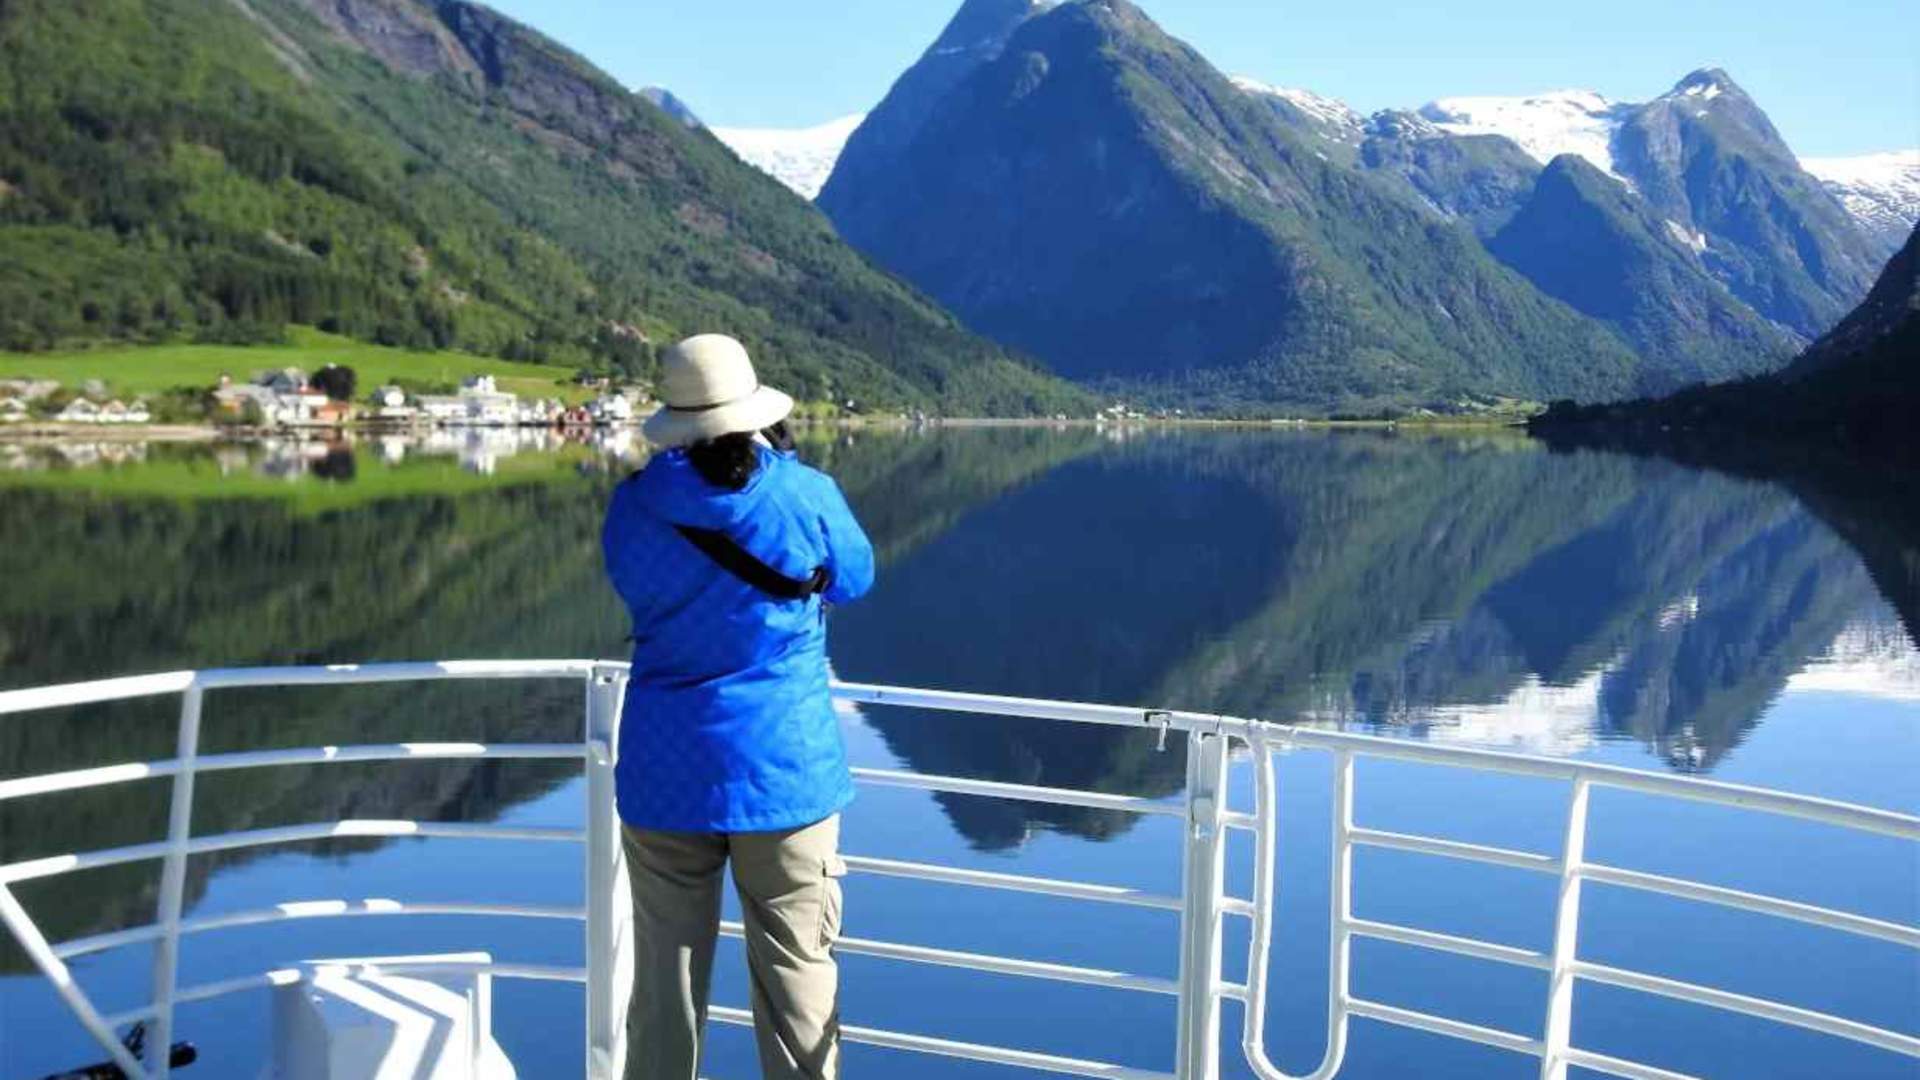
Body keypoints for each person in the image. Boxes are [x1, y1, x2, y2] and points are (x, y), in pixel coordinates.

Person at [602, 334, 875, 1080]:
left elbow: (634, 586)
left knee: (663, 985)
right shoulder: (802, 492)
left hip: (665, 773)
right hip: (783, 770)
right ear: (755, 412)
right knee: (798, 981)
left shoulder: (633, 507)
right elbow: (855, 579)